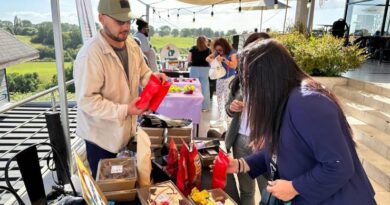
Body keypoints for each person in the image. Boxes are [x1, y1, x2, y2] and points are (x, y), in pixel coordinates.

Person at [220, 39, 376, 204]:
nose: (247, 86)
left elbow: (338, 165)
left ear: (265, 77)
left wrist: (295, 187)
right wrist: (241, 164)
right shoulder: (284, 100)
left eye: (247, 78)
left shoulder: (307, 102)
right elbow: (280, 150)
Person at [73, 0, 166, 178]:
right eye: (119, 21)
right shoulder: (90, 54)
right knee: (109, 190)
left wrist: (153, 78)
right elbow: (87, 100)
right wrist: (126, 109)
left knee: (127, 184)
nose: (125, 27)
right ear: (101, 18)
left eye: (128, 21)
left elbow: (143, 73)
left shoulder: (131, 45)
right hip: (101, 139)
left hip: (126, 133)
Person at [225, 32, 270, 205]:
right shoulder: (241, 79)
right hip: (240, 140)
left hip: (264, 142)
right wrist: (232, 107)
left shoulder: (275, 82)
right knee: (246, 191)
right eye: (252, 48)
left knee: (267, 191)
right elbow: (228, 109)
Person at [206, 37, 237, 129]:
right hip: (219, 77)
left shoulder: (232, 53)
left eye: (220, 49)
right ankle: (221, 119)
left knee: (227, 99)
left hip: (229, 78)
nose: (218, 51)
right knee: (219, 98)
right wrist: (214, 61)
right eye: (216, 49)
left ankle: (228, 121)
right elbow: (207, 58)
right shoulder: (216, 52)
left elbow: (234, 66)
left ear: (225, 46)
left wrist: (223, 60)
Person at [187, 36, 211, 111]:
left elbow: (189, 59)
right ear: (205, 41)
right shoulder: (208, 50)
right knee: (205, 88)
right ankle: (205, 107)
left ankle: (193, 106)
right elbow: (211, 60)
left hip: (194, 68)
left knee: (193, 87)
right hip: (205, 69)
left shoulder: (193, 48)